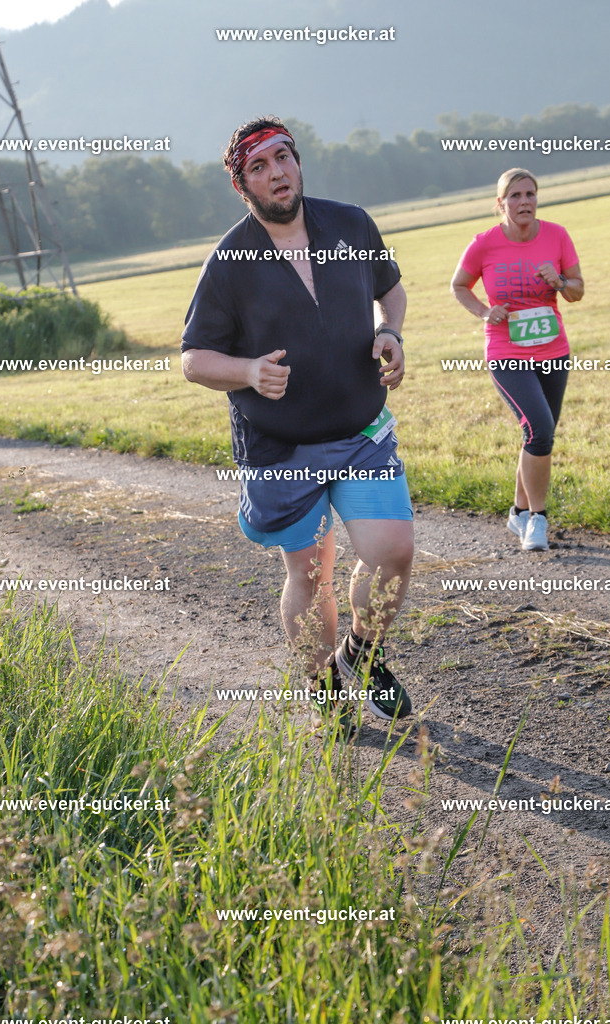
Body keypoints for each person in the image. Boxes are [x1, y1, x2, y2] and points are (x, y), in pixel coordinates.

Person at [181, 116, 414, 738]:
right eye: (259, 167)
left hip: (362, 431)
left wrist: (389, 331)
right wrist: (250, 371)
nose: (277, 173)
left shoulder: (351, 224)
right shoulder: (231, 261)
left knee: (393, 554)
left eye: (283, 158)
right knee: (310, 572)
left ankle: (362, 656)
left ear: (298, 162)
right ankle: (323, 686)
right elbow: (194, 360)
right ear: (243, 185)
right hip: (281, 446)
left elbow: (391, 291)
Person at [450, 168, 584, 551]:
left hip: (553, 350)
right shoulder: (484, 244)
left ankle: (517, 511)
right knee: (540, 429)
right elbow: (458, 285)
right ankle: (537, 521)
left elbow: (578, 290)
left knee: (536, 435)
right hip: (507, 352)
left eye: (530, 194)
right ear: (501, 203)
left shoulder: (557, 235)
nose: (524, 202)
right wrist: (483, 311)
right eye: (515, 196)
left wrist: (558, 281)